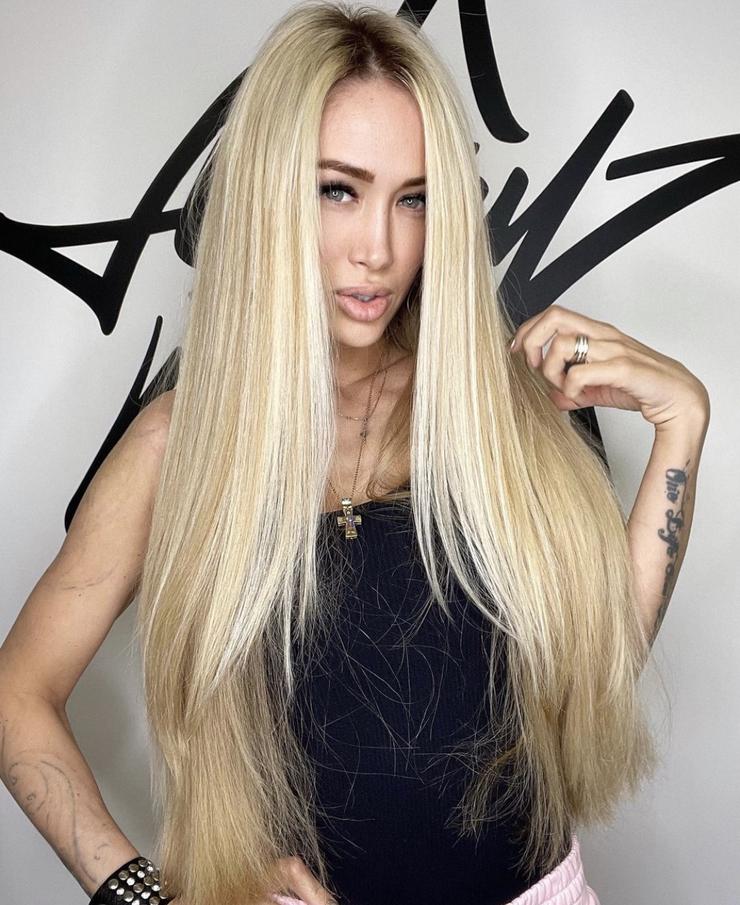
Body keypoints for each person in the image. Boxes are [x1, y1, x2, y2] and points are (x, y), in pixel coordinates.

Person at [0, 2, 711, 905]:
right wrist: (148, 894)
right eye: (339, 189)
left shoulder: (499, 404)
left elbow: (598, 671)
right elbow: (17, 693)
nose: (379, 249)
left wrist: (681, 425)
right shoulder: (179, 446)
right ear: (269, 191)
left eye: (414, 199)